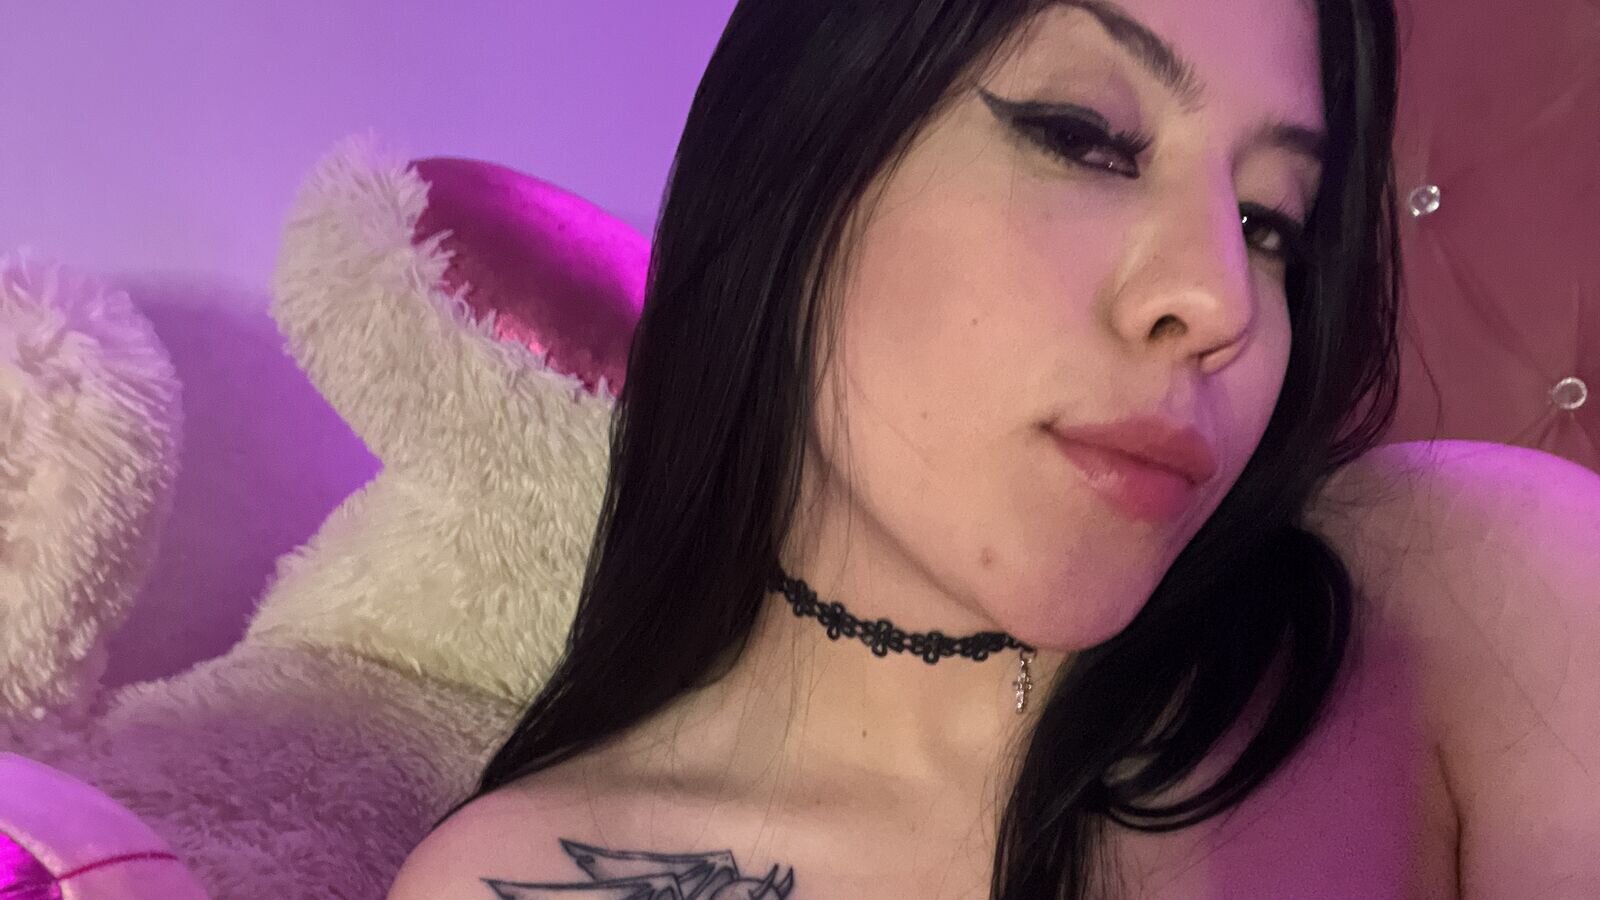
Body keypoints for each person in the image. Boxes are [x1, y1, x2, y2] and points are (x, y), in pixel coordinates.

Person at [389, 0, 1600, 897]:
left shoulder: (1463, 592)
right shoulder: (521, 876)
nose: (1218, 298)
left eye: (1268, 220)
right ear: (796, 157)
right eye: (1085, 136)